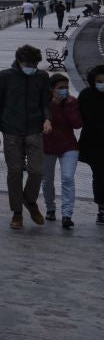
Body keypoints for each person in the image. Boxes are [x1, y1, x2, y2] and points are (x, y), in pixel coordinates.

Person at [0, 44, 53, 229]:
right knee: (15, 172)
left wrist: (48, 119)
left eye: (34, 64)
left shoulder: (41, 77)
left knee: (37, 171)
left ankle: (30, 201)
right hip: (11, 131)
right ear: (18, 61)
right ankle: (17, 213)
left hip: (34, 130)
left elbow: (45, 103)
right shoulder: (4, 77)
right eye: (27, 63)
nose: (31, 67)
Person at [42, 73, 83, 228]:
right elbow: (44, 121)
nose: (64, 90)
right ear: (52, 90)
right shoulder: (45, 103)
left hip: (68, 146)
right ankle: (50, 208)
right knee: (47, 180)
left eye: (66, 87)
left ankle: (67, 214)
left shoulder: (72, 102)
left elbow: (77, 124)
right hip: (47, 146)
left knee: (67, 178)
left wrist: (67, 107)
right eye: (60, 88)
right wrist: (54, 106)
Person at [78, 64, 104, 225]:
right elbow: (86, 118)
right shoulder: (87, 95)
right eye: (99, 81)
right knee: (100, 176)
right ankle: (101, 208)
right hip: (94, 143)